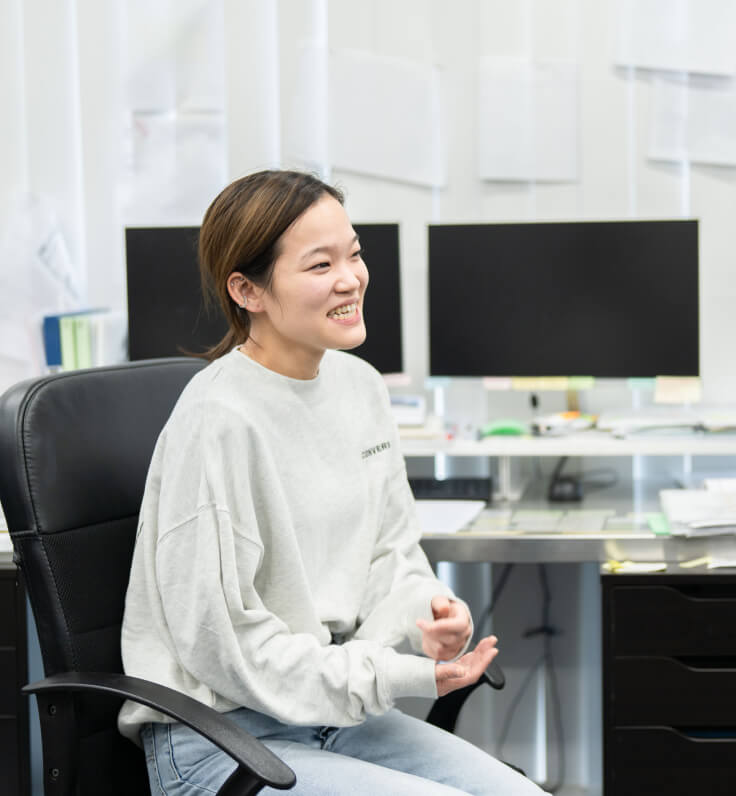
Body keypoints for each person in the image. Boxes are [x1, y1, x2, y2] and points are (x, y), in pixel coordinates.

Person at [119, 169, 548, 795]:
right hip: (223, 737)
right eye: (320, 265)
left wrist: (425, 610)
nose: (351, 279)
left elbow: (389, 554)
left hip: (329, 715)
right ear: (248, 290)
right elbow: (226, 647)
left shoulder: (360, 387)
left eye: (354, 254)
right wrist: (396, 676)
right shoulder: (219, 420)